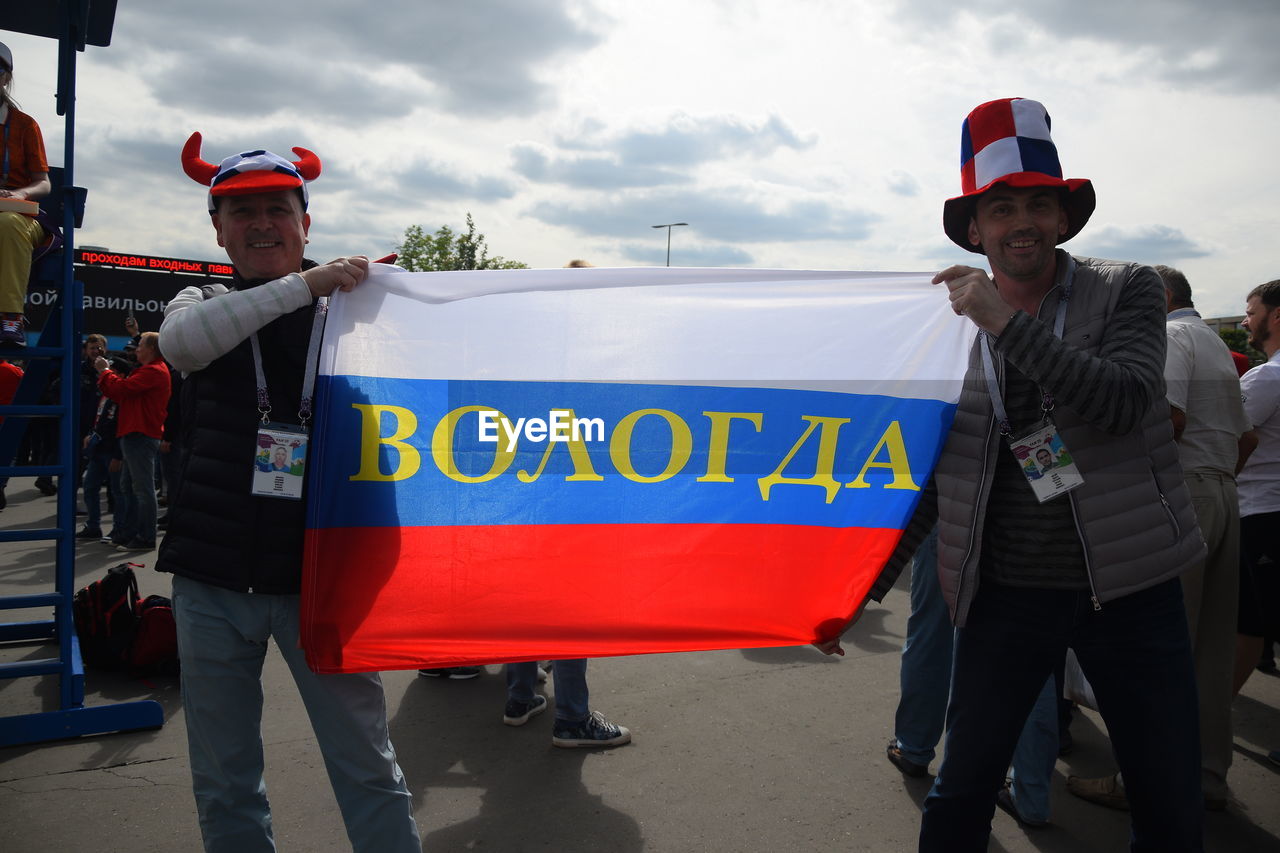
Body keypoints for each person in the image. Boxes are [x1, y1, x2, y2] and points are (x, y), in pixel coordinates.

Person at [819, 98, 1206, 852]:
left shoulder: (1124, 288)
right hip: (1006, 595)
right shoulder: (942, 323)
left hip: (1130, 592)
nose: (1020, 221)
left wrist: (1003, 321)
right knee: (961, 791)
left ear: (1064, 220)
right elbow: (934, 481)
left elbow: (1127, 402)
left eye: (1038, 203)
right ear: (974, 229)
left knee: (1167, 799)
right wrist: (853, 591)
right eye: (1001, 208)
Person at [157, 133, 420, 852]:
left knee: (369, 769)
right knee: (225, 781)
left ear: (307, 221)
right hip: (210, 583)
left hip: (321, 583)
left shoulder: (357, 310)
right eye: (242, 214)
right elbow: (180, 347)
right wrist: (307, 284)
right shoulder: (199, 301)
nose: (262, 224)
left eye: (278, 208)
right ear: (217, 229)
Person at [1069, 265, 1253, 811]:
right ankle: (1207, 775)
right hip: (1220, 490)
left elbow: (1164, 417)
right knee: (1210, 651)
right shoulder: (1214, 343)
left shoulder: (1168, 336)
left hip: (1182, 493)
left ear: (1162, 297)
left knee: (1156, 652)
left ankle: (1141, 782)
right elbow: (1249, 437)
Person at [888, 527, 1059, 828]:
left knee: (931, 633)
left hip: (954, 520)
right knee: (1031, 656)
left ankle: (914, 747)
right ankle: (1031, 795)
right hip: (1035, 530)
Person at [1234, 280, 1280, 697]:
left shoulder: (1268, 378)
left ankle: (1206, 719)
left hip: (1260, 513)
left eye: (1251, 311)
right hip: (1267, 509)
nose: (1246, 319)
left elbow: (1234, 438)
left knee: (1251, 621)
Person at [94, 331, 170, 550]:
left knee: (142, 489)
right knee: (129, 486)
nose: (136, 350)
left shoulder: (154, 371)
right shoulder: (150, 370)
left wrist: (105, 372)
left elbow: (121, 389)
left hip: (140, 433)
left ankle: (145, 537)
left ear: (151, 349)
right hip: (135, 432)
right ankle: (130, 532)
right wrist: (106, 374)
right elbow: (120, 392)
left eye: (140, 346)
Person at [0, 42, 51, 347]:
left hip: (17, 216)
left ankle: (10, 316)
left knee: (6, 225)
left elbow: (44, 184)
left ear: (7, 77)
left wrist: (20, 194)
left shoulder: (24, 125)